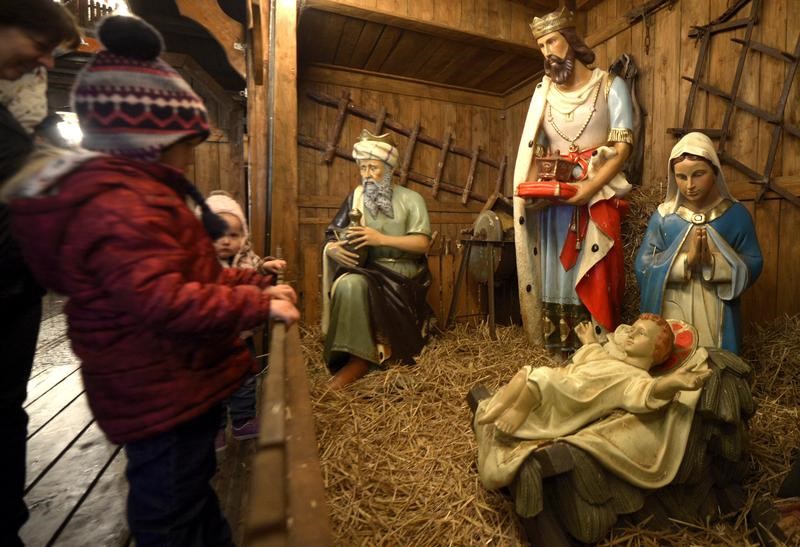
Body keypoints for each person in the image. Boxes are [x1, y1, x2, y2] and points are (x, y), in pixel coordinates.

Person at [2, 16, 299, 545]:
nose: (191, 157)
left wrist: (251, 287)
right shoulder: (124, 209)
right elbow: (165, 301)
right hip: (159, 392)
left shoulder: (145, 201)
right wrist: (258, 307)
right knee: (168, 515)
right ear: (149, 142)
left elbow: (193, 276)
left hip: (174, 383)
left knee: (189, 497)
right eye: (186, 144)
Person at [0, 2, 80, 544]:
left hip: (15, 289)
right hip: (9, 271)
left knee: (7, 410)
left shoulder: (24, 110)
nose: (47, 62)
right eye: (40, 43)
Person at [512, 7, 634, 352]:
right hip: (555, 202)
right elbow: (536, 148)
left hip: (596, 194)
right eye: (540, 45)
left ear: (571, 40)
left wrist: (588, 188)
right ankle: (557, 346)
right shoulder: (543, 95)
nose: (547, 51)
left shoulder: (610, 85)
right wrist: (531, 193)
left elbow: (622, 146)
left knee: (594, 267)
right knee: (555, 269)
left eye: (552, 40)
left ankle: (594, 349)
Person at [477, 313, 711, 437]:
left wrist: (673, 382)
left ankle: (518, 411)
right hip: (567, 381)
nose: (629, 334)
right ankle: (499, 407)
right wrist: (589, 341)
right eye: (632, 328)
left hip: (573, 398)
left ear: (655, 350)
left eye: (639, 334)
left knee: (541, 377)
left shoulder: (636, 378)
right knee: (525, 372)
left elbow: (648, 394)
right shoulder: (612, 357)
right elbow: (593, 357)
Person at [322, 129, 433, 388]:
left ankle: (384, 353)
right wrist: (332, 249)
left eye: (373, 168)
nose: (367, 175)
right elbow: (332, 234)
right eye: (362, 168)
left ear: (389, 168)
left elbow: (422, 243)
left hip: (402, 274)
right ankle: (355, 358)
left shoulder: (411, 199)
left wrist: (380, 239)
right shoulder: (356, 198)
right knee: (349, 284)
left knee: (364, 286)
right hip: (368, 269)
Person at [635, 132, 763, 354]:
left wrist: (713, 265)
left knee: (712, 359)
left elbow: (753, 262)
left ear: (715, 171)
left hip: (717, 307)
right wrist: (685, 262)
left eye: (698, 174)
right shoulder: (665, 217)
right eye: (681, 177)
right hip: (674, 304)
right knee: (675, 355)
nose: (689, 185)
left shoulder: (736, 215)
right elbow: (643, 265)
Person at [204, 190, 286, 450]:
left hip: (241, 336)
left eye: (234, 235)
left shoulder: (246, 256)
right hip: (210, 340)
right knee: (211, 386)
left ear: (244, 236)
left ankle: (242, 421)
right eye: (218, 234)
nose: (226, 241)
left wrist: (266, 267)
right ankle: (214, 431)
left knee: (247, 378)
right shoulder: (202, 264)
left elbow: (255, 267)